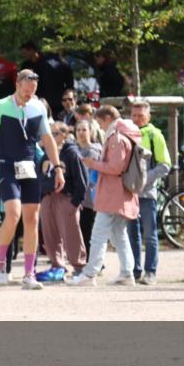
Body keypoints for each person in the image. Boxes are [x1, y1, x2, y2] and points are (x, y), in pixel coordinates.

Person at [0, 69, 65, 290]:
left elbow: (47, 139)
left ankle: (29, 273)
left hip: (30, 168)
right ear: (17, 84)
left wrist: (58, 168)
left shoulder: (37, 107)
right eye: (26, 91)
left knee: (32, 219)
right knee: (13, 213)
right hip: (7, 167)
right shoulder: (0, 106)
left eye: (33, 91)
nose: (29, 95)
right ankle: (0, 263)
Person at [68, 105, 142, 286]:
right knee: (118, 234)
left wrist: (93, 164)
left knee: (98, 234)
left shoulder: (117, 138)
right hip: (120, 193)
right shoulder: (125, 135)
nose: (100, 127)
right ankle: (126, 272)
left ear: (108, 118)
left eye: (100, 122)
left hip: (112, 193)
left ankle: (90, 274)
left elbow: (116, 167)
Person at [37, 122, 89, 280]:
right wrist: (42, 197)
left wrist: (75, 202)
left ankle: (79, 266)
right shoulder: (46, 154)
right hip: (48, 198)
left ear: (64, 135)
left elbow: (82, 179)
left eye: (55, 134)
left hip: (66, 198)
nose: (50, 138)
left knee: (71, 234)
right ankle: (57, 266)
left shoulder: (71, 153)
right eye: (48, 134)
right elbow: (40, 176)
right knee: (50, 234)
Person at [127, 100, 171, 284]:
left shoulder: (155, 135)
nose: (137, 119)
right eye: (134, 115)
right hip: (128, 194)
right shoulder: (125, 134)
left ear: (148, 116)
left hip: (147, 194)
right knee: (131, 234)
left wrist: (144, 179)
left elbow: (164, 165)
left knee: (150, 234)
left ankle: (150, 271)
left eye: (141, 116)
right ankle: (135, 271)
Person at [73, 118, 104, 259]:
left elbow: (84, 172)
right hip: (79, 196)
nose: (81, 133)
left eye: (84, 130)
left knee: (90, 231)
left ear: (90, 132)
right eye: (78, 130)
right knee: (82, 231)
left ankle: (95, 262)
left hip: (91, 196)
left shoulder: (94, 151)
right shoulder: (75, 150)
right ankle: (90, 261)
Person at [19, 42, 74, 117]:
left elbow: (67, 76)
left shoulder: (49, 62)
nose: (24, 56)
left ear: (32, 50)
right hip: (37, 99)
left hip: (56, 100)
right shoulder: (26, 65)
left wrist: (68, 93)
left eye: (25, 53)